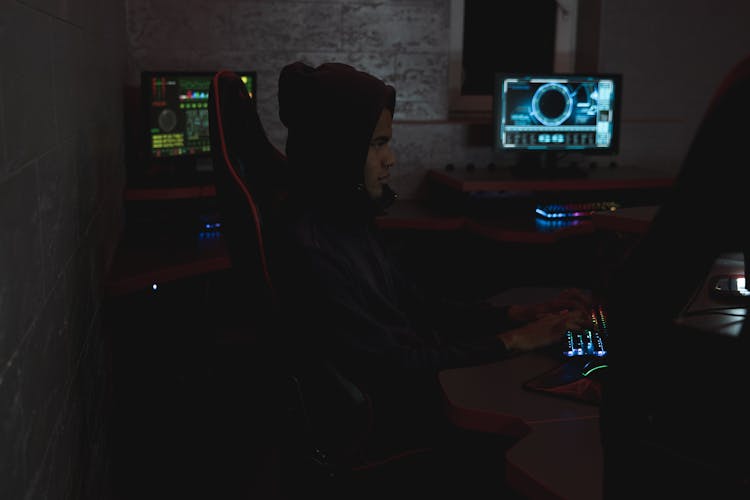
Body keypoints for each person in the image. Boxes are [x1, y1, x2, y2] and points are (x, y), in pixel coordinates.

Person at [273, 61, 592, 498]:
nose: (391, 159)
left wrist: (516, 315)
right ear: (337, 148)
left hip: (414, 390)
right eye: (377, 145)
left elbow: (416, 303)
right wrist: (515, 341)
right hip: (401, 416)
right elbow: (395, 365)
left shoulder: (344, 220)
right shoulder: (311, 249)